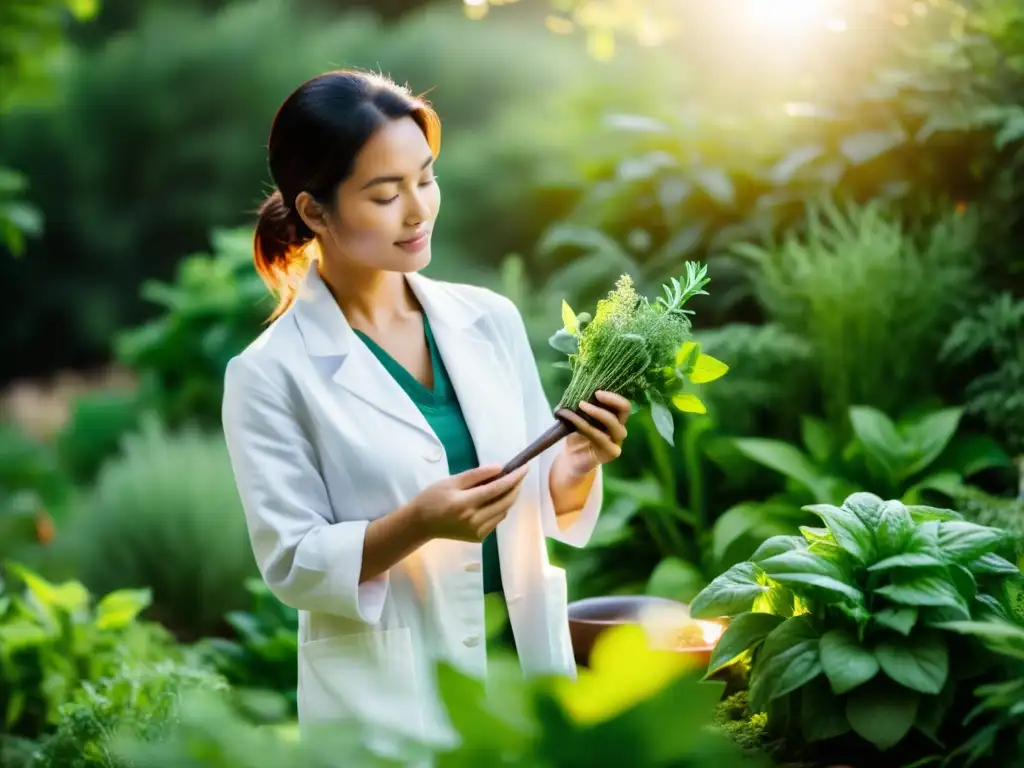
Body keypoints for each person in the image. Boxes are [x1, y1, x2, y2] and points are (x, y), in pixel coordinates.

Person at [220, 69, 632, 760]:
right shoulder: (267, 374)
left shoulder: (488, 321)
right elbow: (292, 562)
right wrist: (417, 523)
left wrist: (576, 468)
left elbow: (536, 501)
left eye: (426, 178)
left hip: (524, 671)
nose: (418, 210)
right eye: (385, 193)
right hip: (393, 702)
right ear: (316, 212)